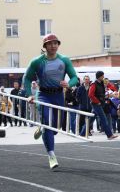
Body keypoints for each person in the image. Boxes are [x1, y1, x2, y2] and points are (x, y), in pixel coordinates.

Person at [23, 34, 79, 169]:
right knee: (48, 124)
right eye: (50, 43)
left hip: (59, 96)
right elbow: (27, 78)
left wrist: (69, 84)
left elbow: (75, 77)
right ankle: (51, 155)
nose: (53, 46)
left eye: (55, 43)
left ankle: (43, 129)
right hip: (43, 95)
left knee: (55, 127)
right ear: (45, 46)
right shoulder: (37, 62)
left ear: (58, 45)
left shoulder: (64, 60)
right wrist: (30, 95)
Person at [80, 71, 118, 140]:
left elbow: (101, 94)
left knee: (91, 119)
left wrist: (106, 96)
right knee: (103, 119)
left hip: (99, 104)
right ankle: (109, 135)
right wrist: (97, 102)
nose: (103, 77)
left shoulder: (101, 84)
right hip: (96, 104)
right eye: (102, 76)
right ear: (100, 76)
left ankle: (82, 133)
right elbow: (90, 95)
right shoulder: (94, 84)